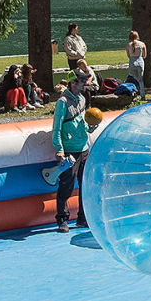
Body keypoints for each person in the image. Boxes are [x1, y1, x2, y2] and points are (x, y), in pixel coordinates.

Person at [52, 84, 99, 233]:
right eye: (82, 81)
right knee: (67, 185)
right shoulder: (62, 102)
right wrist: (59, 149)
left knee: (84, 185)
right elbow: (57, 126)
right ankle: (62, 219)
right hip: (70, 150)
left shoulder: (82, 99)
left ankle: (82, 218)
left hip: (83, 148)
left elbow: (82, 122)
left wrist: (90, 127)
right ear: (73, 83)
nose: (85, 84)